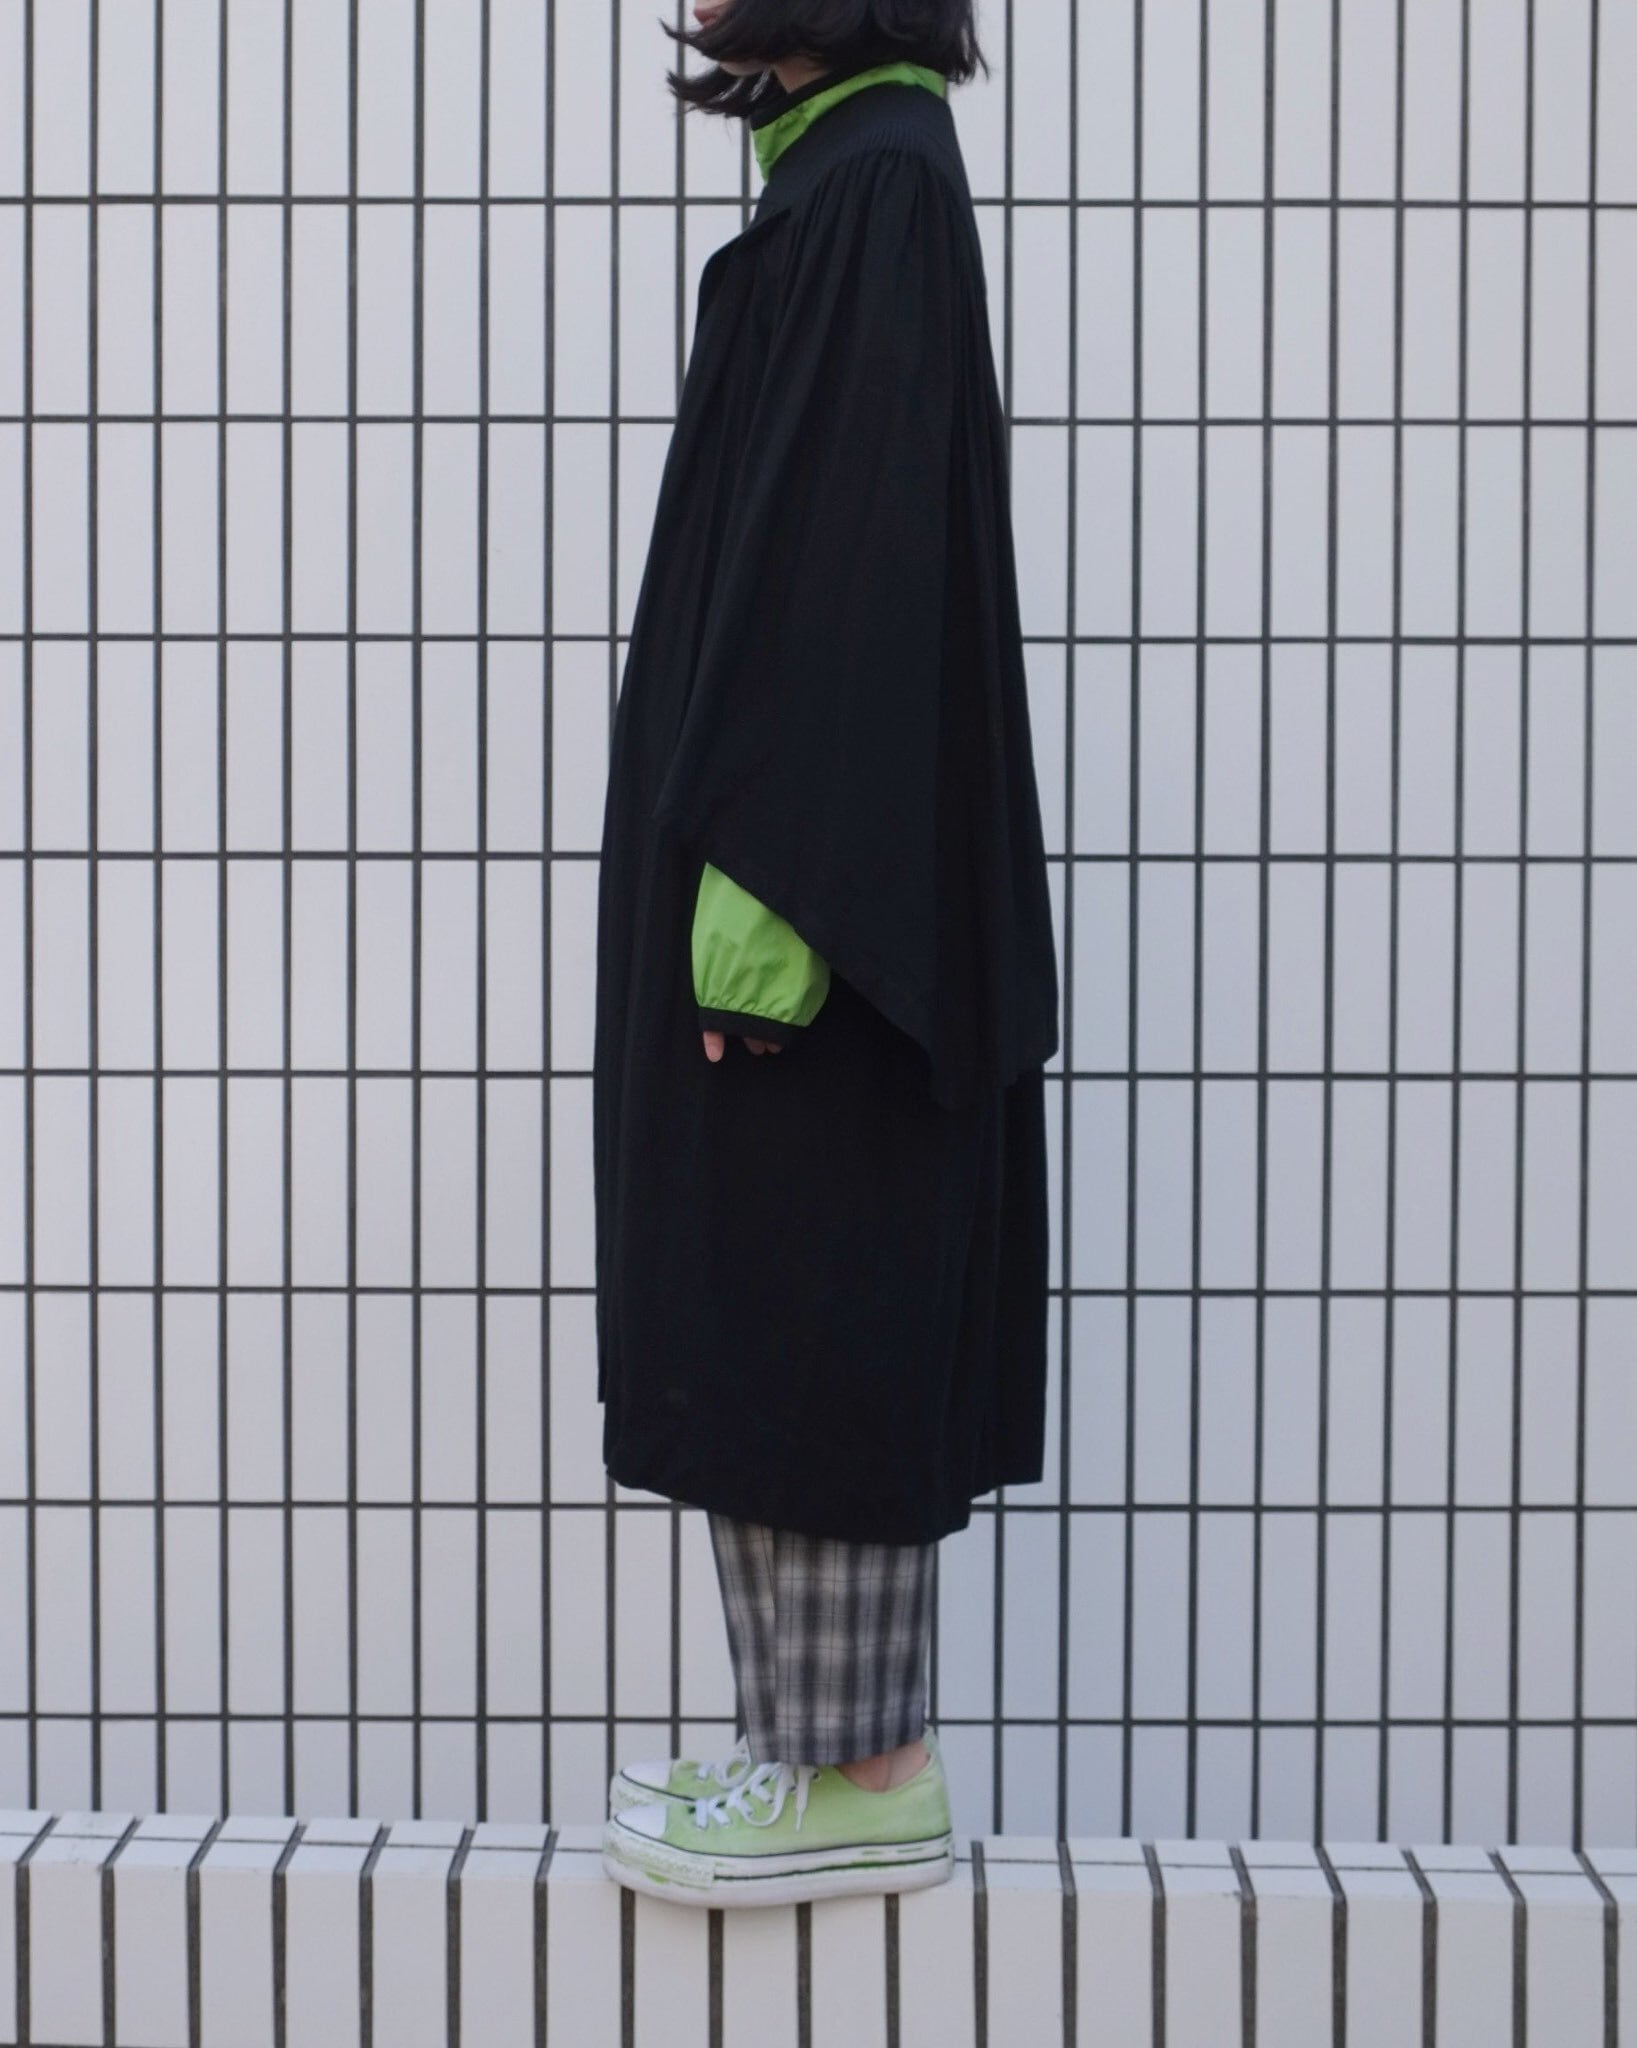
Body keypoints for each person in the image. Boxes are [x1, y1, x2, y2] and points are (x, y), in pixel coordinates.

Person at [593, 0, 1059, 1909]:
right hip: (780, 901)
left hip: (813, 925)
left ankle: (869, 1769)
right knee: (765, 1295)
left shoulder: (873, 186)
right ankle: (803, 1750)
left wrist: (766, 926)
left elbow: (844, 591)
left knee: (812, 1290)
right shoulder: (843, 171)